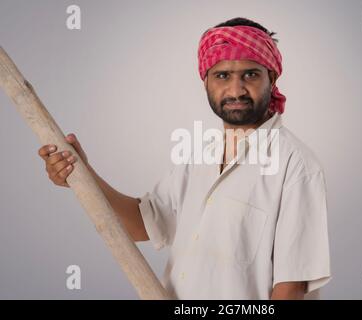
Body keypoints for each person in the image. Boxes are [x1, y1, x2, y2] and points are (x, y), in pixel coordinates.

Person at [38, 17, 331, 300]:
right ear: (206, 82)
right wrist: (81, 175)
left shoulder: (296, 166)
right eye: (222, 75)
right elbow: (142, 223)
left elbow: (291, 290)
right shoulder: (200, 156)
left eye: (251, 74)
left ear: (273, 77)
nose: (236, 89)